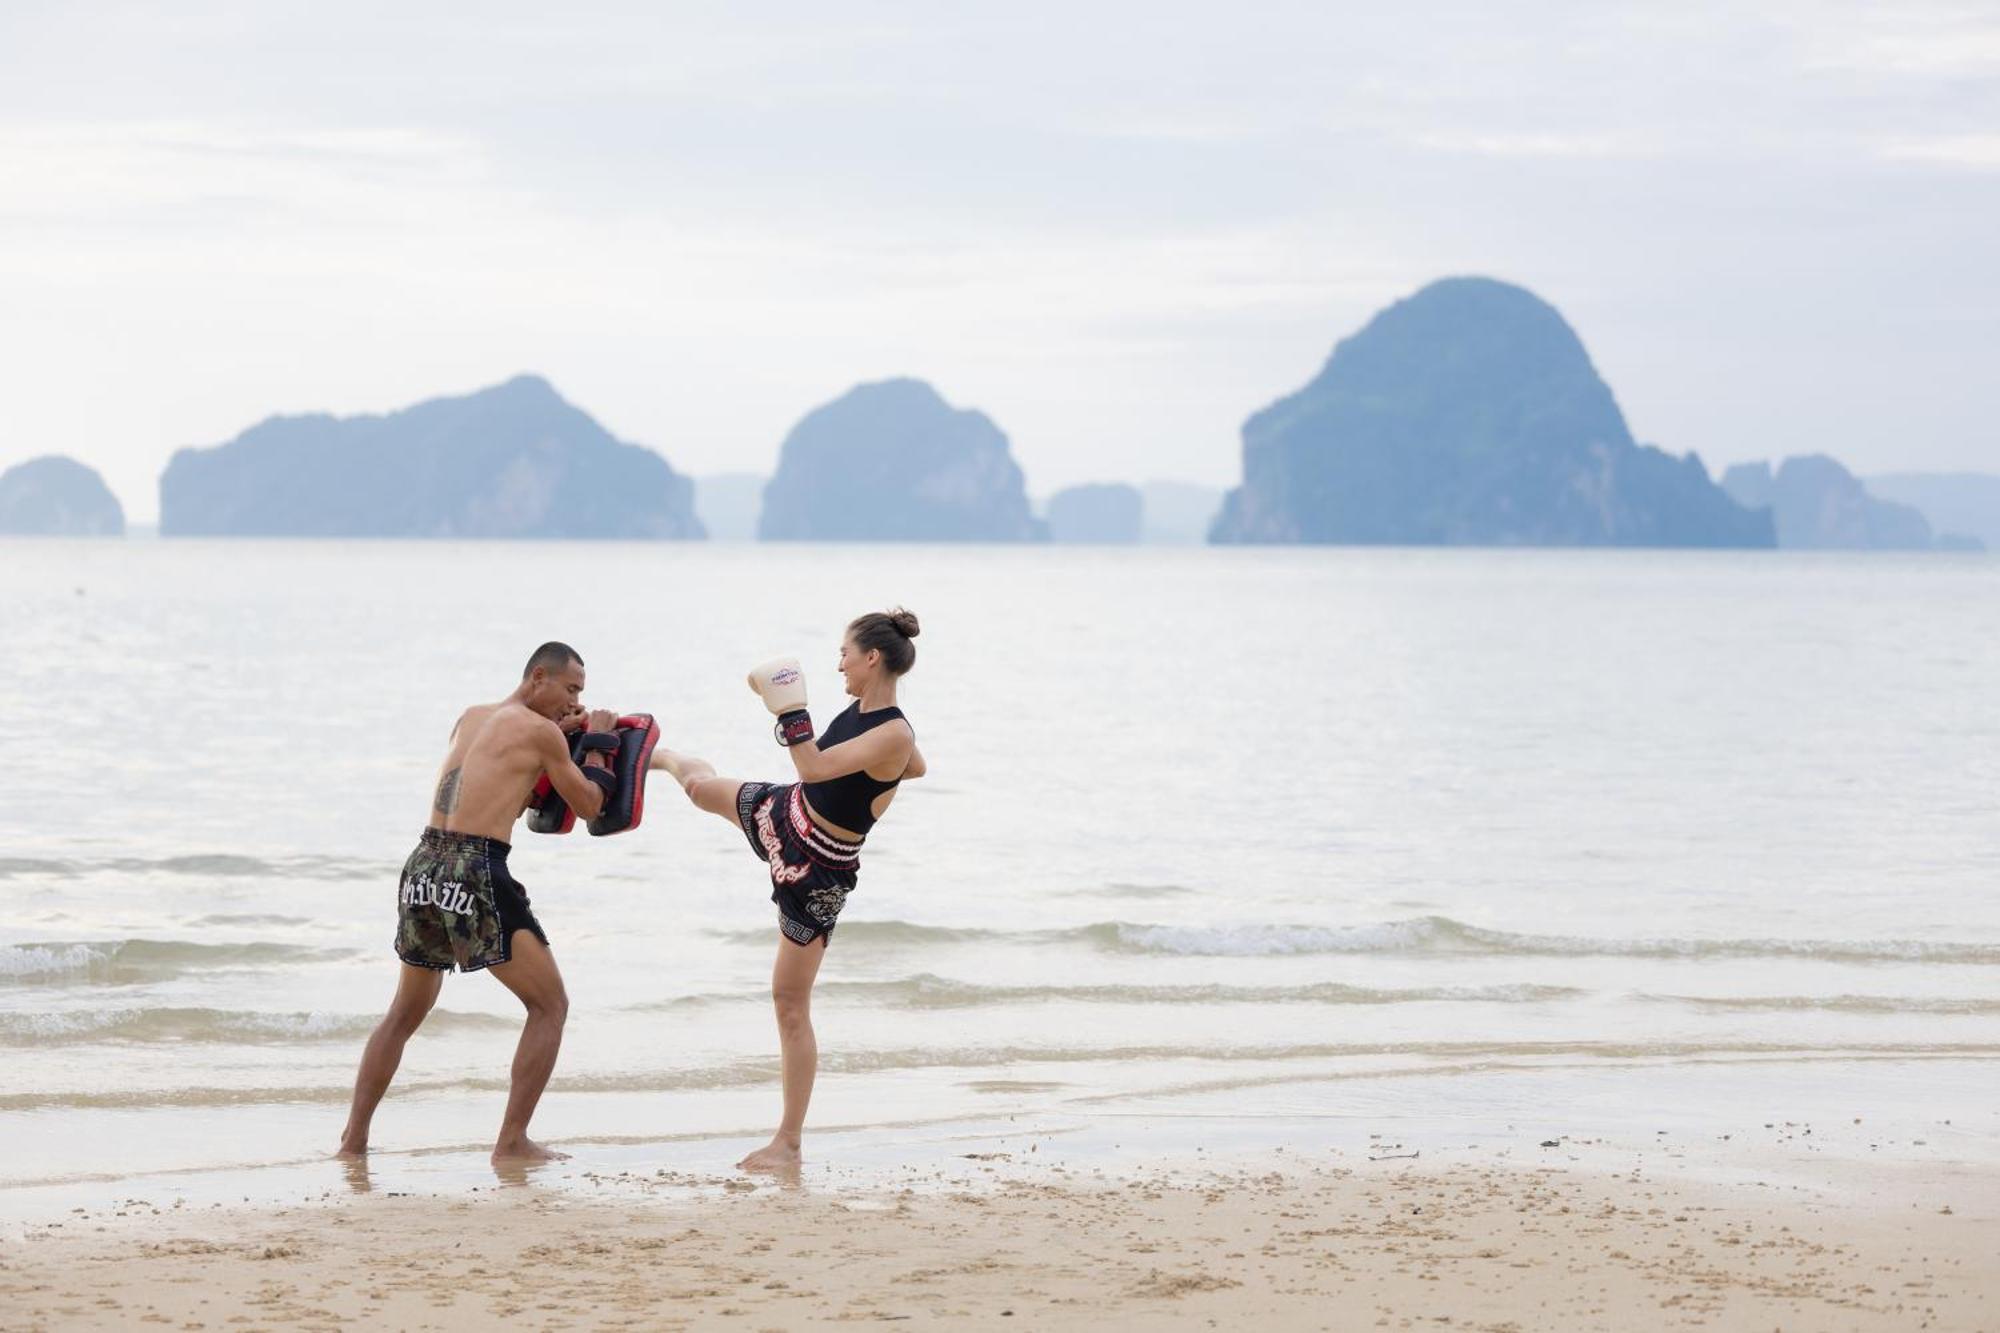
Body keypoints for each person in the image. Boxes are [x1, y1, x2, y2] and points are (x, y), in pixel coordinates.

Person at [650, 609, 927, 1172]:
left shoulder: (894, 729)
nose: (839, 664)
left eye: (845, 654)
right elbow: (913, 768)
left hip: (819, 870)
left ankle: (788, 1142)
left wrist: (793, 707)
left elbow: (816, 766)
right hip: (786, 815)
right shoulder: (871, 719)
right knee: (702, 788)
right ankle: (652, 755)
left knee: (789, 1003)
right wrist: (885, 769)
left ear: (872, 658)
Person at [337, 641, 620, 1165]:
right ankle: (511, 1143)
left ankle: (352, 1144)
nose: (574, 699)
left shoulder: (470, 717)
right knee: (550, 1006)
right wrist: (599, 741)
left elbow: (499, 772)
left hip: (423, 863)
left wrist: (565, 732)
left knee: (403, 1012)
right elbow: (590, 806)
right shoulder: (540, 732)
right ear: (539, 676)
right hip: (475, 866)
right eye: (571, 688)